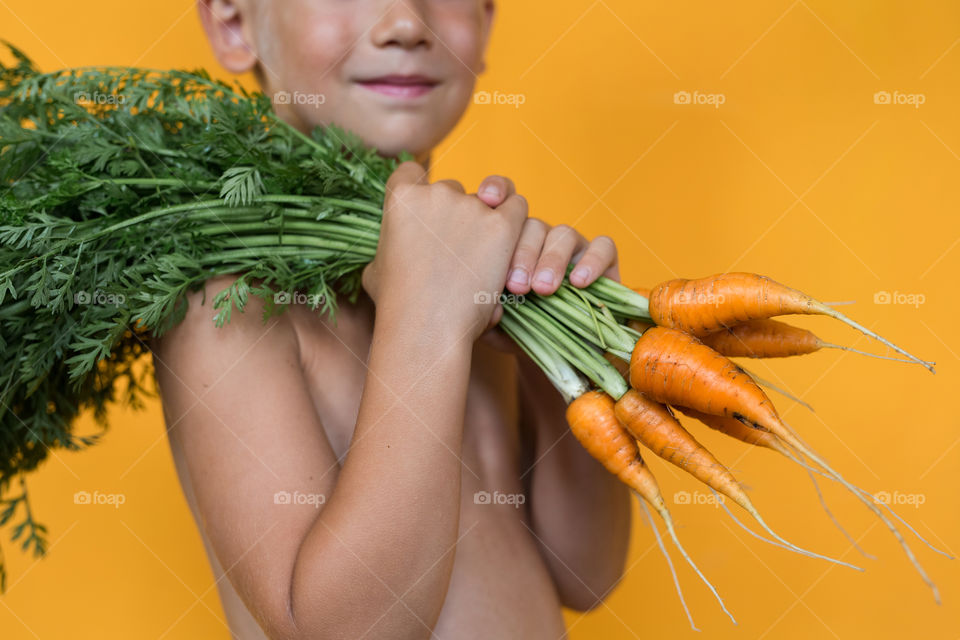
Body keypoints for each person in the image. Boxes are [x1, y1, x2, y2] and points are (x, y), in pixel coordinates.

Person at [152, 1, 631, 637]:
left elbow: (585, 573)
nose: (406, 22)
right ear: (235, 24)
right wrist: (427, 321)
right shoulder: (225, 308)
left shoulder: (469, 263)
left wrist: (571, 359)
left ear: (487, 21)